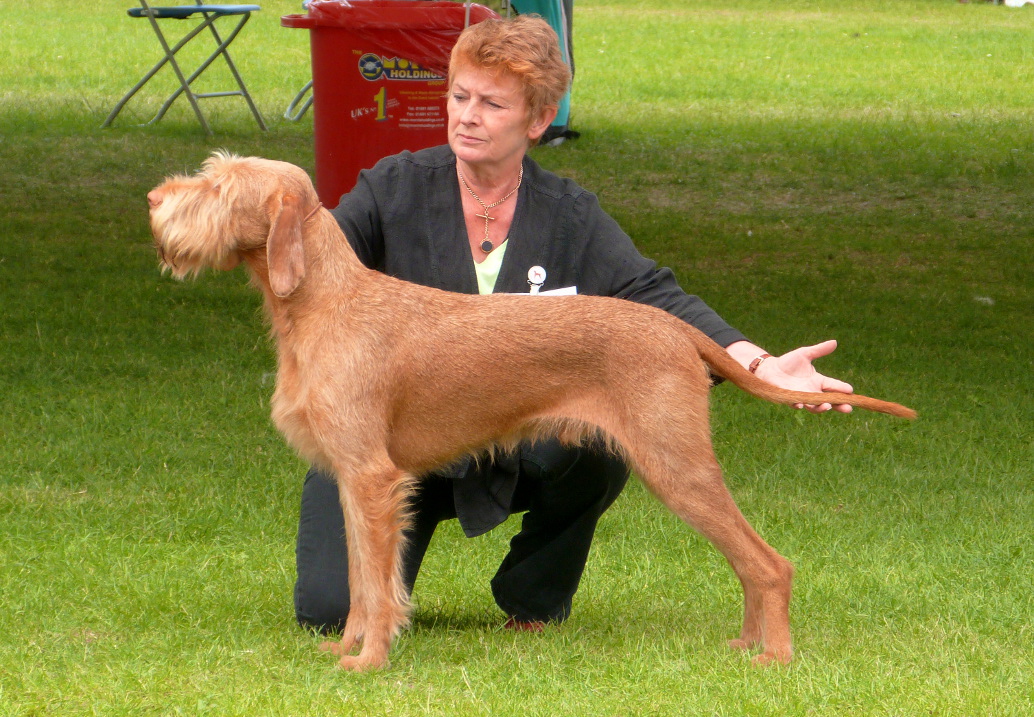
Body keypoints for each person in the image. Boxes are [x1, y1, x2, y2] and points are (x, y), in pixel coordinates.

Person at [293, 16, 854, 634]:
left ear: (537, 120)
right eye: (459, 96)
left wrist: (759, 363)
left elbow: (654, 295)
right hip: (395, 443)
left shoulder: (570, 215)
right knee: (325, 611)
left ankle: (533, 598)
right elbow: (317, 265)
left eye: (492, 104)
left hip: (517, 443)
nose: (467, 116)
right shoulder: (393, 188)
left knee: (599, 442)